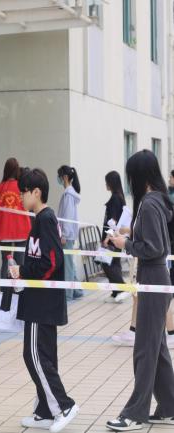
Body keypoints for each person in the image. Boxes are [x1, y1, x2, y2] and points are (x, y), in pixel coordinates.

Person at [106, 150, 174, 431]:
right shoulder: (158, 200)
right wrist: (129, 241)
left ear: (139, 177)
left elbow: (154, 247)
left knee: (145, 350)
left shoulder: (148, 204)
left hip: (154, 279)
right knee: (156, 348)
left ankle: (135, 413)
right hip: (156, 279)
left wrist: (126, 245)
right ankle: (169, 406)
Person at [8, 168, 79, 433]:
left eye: (23, 192)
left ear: (36, 192)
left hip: (42, 302)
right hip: (40, 300)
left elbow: (51, 262)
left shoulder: (45, 219)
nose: (20, 197)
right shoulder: (42, 219)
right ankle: (45, 411)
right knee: (42, 356)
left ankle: (64, 406)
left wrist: (23, 271)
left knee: (35, 355)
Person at [0, 158, 31, 311]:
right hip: (21, 229)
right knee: (20, 261)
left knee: (5, 261)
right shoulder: (22, 187)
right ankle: (19, 292)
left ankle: (5, 292)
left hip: (4, 230)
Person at [101, 171, 130, 304]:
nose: (106, 184)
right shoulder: (120, 197)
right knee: (114, 263)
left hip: (112, 237)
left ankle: (122, 289)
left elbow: (113, 220)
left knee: (108, 264)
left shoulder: (115, 198)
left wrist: (107, 238)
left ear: (111, 183)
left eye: (107, 181)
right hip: (116, 236)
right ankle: (115, 293)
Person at [57, 165, 82, 300]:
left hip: (67, 235)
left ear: (65, 177)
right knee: (69, 263)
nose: (59, 179)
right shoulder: (70, 194)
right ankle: (77, 290)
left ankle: (68, 293)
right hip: (69, 234)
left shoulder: (68, 195)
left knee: (67, 265)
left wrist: (64, 234)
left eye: (59, 176)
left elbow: (67, 216)